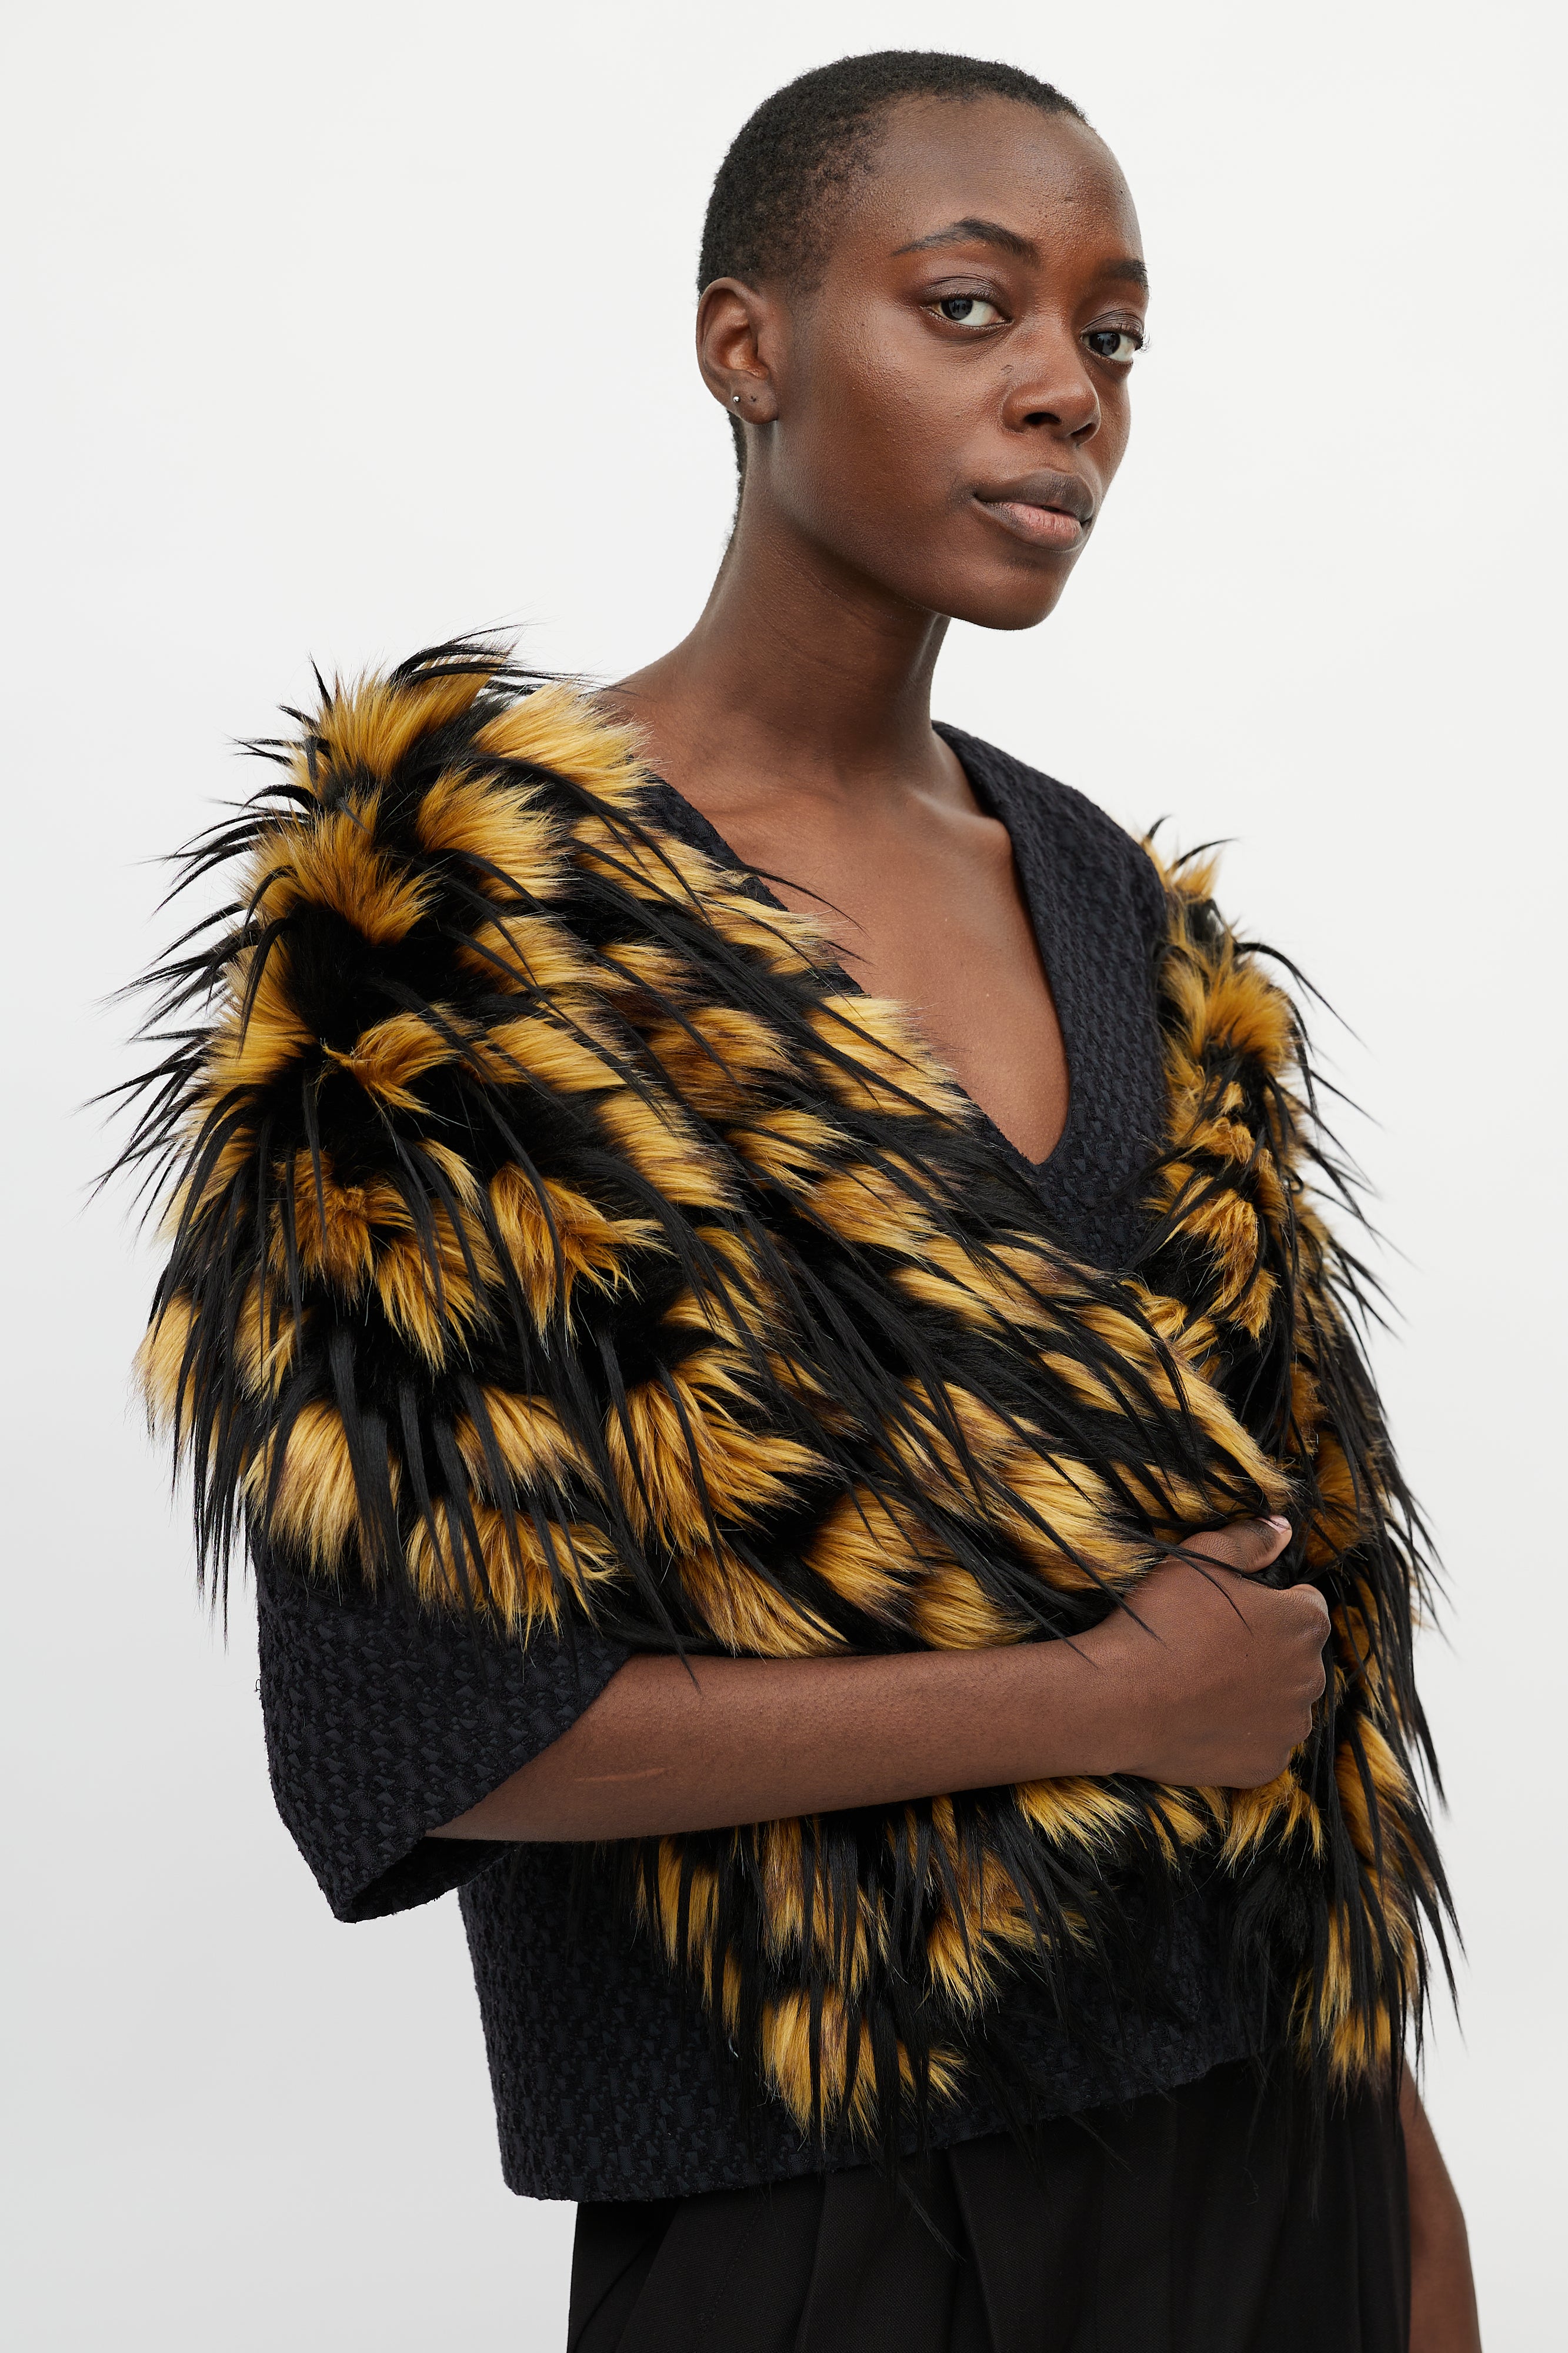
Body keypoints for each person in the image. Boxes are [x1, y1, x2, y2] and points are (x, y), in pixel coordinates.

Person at [124, 49, 1481, 2353]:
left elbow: (1293, 1692)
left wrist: (1417, 2226)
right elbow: (424, 1734)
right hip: (815, 2203)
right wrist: (1097, 1695)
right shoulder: (455, 931)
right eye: (969, 306)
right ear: (741, 345)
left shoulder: (1127, 928)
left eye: (1112, 335)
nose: (1065, 391)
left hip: (1274, 2155)